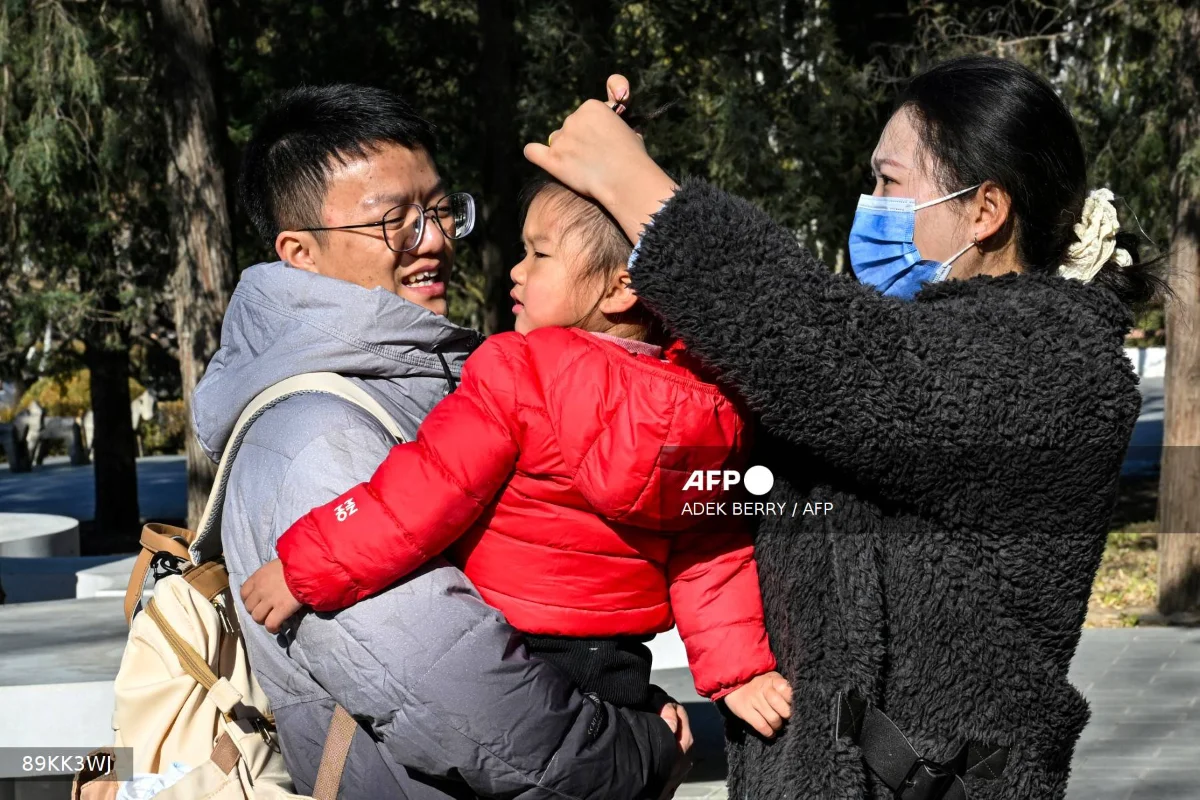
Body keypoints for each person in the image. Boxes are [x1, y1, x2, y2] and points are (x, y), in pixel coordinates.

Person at [525, 57, 1159, 799]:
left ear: (985, 211)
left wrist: (635, 185)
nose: (871, 203)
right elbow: (746, 398)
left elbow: (829, 354)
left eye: (890, 182)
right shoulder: (898, 355)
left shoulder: (1058, 363)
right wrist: (605, 215)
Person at [192, 83, 687, 800]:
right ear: (299, 252)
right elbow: (466, 704)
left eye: (440, 208)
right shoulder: (312, 439)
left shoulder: (431, 377)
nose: (435, 239)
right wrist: (634, 753)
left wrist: (607, 196)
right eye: (396, 221)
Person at [241, 175, 793, 738]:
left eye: (539, 253)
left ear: (620, 288)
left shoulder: (516, 371)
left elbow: (422, 493)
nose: (517, 270)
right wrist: (738, 674)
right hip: (618, 666)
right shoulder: (713, 411)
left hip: (511, 648)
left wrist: (303, 568)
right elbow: (714, 550)